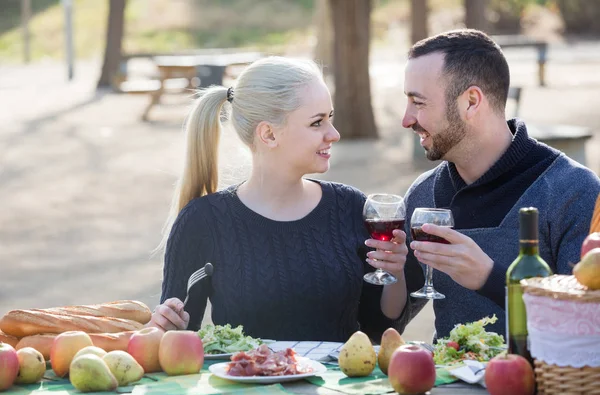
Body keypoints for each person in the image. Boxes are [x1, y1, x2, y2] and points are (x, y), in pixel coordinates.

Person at [147, 56, 410, 342]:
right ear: (269, 134)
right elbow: (178, 340)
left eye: (330, 118)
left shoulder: (350, 208)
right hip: (246, 384)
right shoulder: (202, 221)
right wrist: (165, 326)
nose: (333, 134)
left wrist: (394, 273)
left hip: (338, 386)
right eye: (316, 122)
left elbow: (379, 330)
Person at [397, 29, 600, 340]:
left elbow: (588, 326)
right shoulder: (424, 196)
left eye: (418, 102)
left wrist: (489, 279)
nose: (406, 119)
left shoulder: (575, 191)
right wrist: (386, 273)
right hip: (447, 388)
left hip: (546, 387)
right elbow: (388, 322)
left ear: (471, 101)